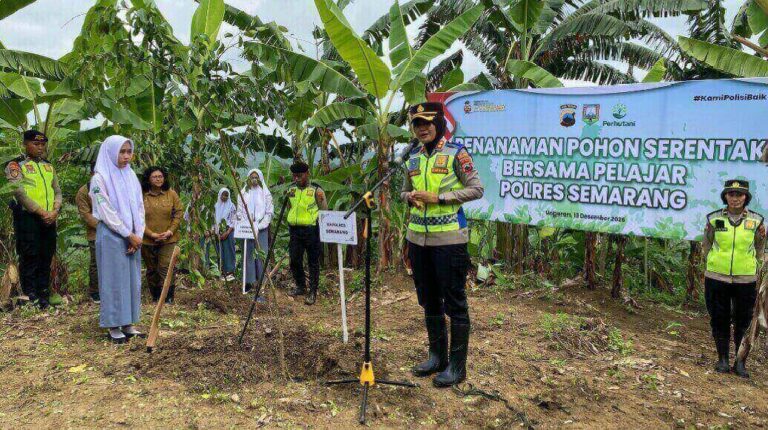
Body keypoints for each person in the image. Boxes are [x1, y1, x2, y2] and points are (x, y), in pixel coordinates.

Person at [401, 102, 484, 387]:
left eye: (427, 122)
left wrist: (440, 198)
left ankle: (457, 367)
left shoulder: (455, 153)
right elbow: (403, 191)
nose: (422, 128)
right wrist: (409, 197)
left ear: (438, 122)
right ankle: (437, 357)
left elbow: (477, 188)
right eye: (416, 124)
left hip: (449, 239)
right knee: (428, 299)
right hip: (417, 239)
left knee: (454, 301)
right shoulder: (412, 157)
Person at [702, 179, 765, 378]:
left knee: (743, 321)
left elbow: (760, 247)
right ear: (725, 196)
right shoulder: (713, 219)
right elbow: (706, 245)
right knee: (719, 318)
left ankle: (740, 362)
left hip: (745, 279)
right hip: (716, 277)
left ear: (746, 197)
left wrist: (755, 267)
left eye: (739, 195)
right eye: (731, 194)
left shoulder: (757, 221)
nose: (735, 198)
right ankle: (722, 359)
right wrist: (712, 263)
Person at [90, 135, 145, 344]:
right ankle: (113, 325)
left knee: (131, 279)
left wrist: (138, 235)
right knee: (114, 280)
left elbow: (139, 207)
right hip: (113, 235)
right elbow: (105, 210)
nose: (126, 157)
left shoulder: (130, 175)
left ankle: (129, 323)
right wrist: (127, 234)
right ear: (111, 152)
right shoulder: (100, 178)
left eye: (128, 152)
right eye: (121, 152)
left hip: (132, 235)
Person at [4, 130, 62, 309]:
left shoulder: (48, 166)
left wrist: (54, 210)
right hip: (28, 219)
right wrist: (41, 212)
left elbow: (57, 191)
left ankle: (44, 296)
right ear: (25, 144)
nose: (40, 148)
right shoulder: (15, 165)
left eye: (42, 144)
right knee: (30, 257)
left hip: (49, 219)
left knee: (46, 256)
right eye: (36, 144)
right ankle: (30, 297)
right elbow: (19, 193)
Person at [286, 161, 327, 305]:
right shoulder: (291, 190)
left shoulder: (317, 190)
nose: (297, 178)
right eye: (295, 176)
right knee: (294, 259)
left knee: (313, 262)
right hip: (295, 230)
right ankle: (301, 286)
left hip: (311, 230)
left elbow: (324, 210)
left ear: (307, 174)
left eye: (300, 175)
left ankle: (313, 291)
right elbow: (289, 207)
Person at [141, 167, 182, 304]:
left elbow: (178, 213)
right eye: (155, 177)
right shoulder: (141, 195)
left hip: (168, 239)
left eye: (160, 176)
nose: (158, 179)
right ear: (148, 179)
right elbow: (136, 218)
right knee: (152, 270)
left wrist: (170, 231)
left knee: (166, 267)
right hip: (147, 240)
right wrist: (151, 234)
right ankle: (155, 297)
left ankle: (168, 299)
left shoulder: (171, 194)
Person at [238, 169, 274, 298]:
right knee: (248, 255)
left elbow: (269, 213)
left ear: (260, 178)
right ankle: (249, 283)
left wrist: (259, 226)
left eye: (256, 177)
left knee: (261, 255)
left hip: (261, 229)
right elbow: (240, 211)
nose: (253, 179)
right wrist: (248, 225)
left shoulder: (265, 194)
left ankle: (262, 284)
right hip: (247, 229)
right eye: (251, 177)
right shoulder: (243, 193)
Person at [76, 162, 100, 303]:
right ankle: (95, 292)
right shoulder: (83, 192)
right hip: (96, 233)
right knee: (96, 263)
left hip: (116, 232)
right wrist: (105, 227)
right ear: (91, 173)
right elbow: (86, 215)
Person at [214, 188, 237, 281]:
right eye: (223, 195)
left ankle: (230, 272)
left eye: (226, 195)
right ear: (219, 195)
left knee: (229, 251)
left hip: (229, 231)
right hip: (217, 232)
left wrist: (227, 232)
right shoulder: (215, 206)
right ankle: (222, 272)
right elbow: (213, 220)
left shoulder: (232, 206)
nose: (224, 197)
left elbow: (234, 220)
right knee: (220, 251)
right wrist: (216, 232)